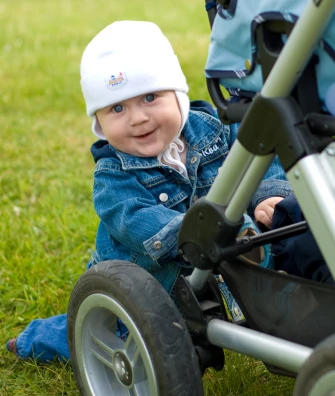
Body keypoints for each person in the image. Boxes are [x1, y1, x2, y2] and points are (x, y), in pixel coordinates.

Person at [6, 21, 291, 362]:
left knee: (276, 237)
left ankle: (262, 272)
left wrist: (269, 195)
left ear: (177, 93)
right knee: (104, 332)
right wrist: (193, 235)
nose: (138, 118)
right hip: (149, 283)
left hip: (221, 254)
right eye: (117, 108)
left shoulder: (219, 129)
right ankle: (32, 340)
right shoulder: (113, 176)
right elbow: (135, 219)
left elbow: (259, 158)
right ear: (98, 120)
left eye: (150, 97)